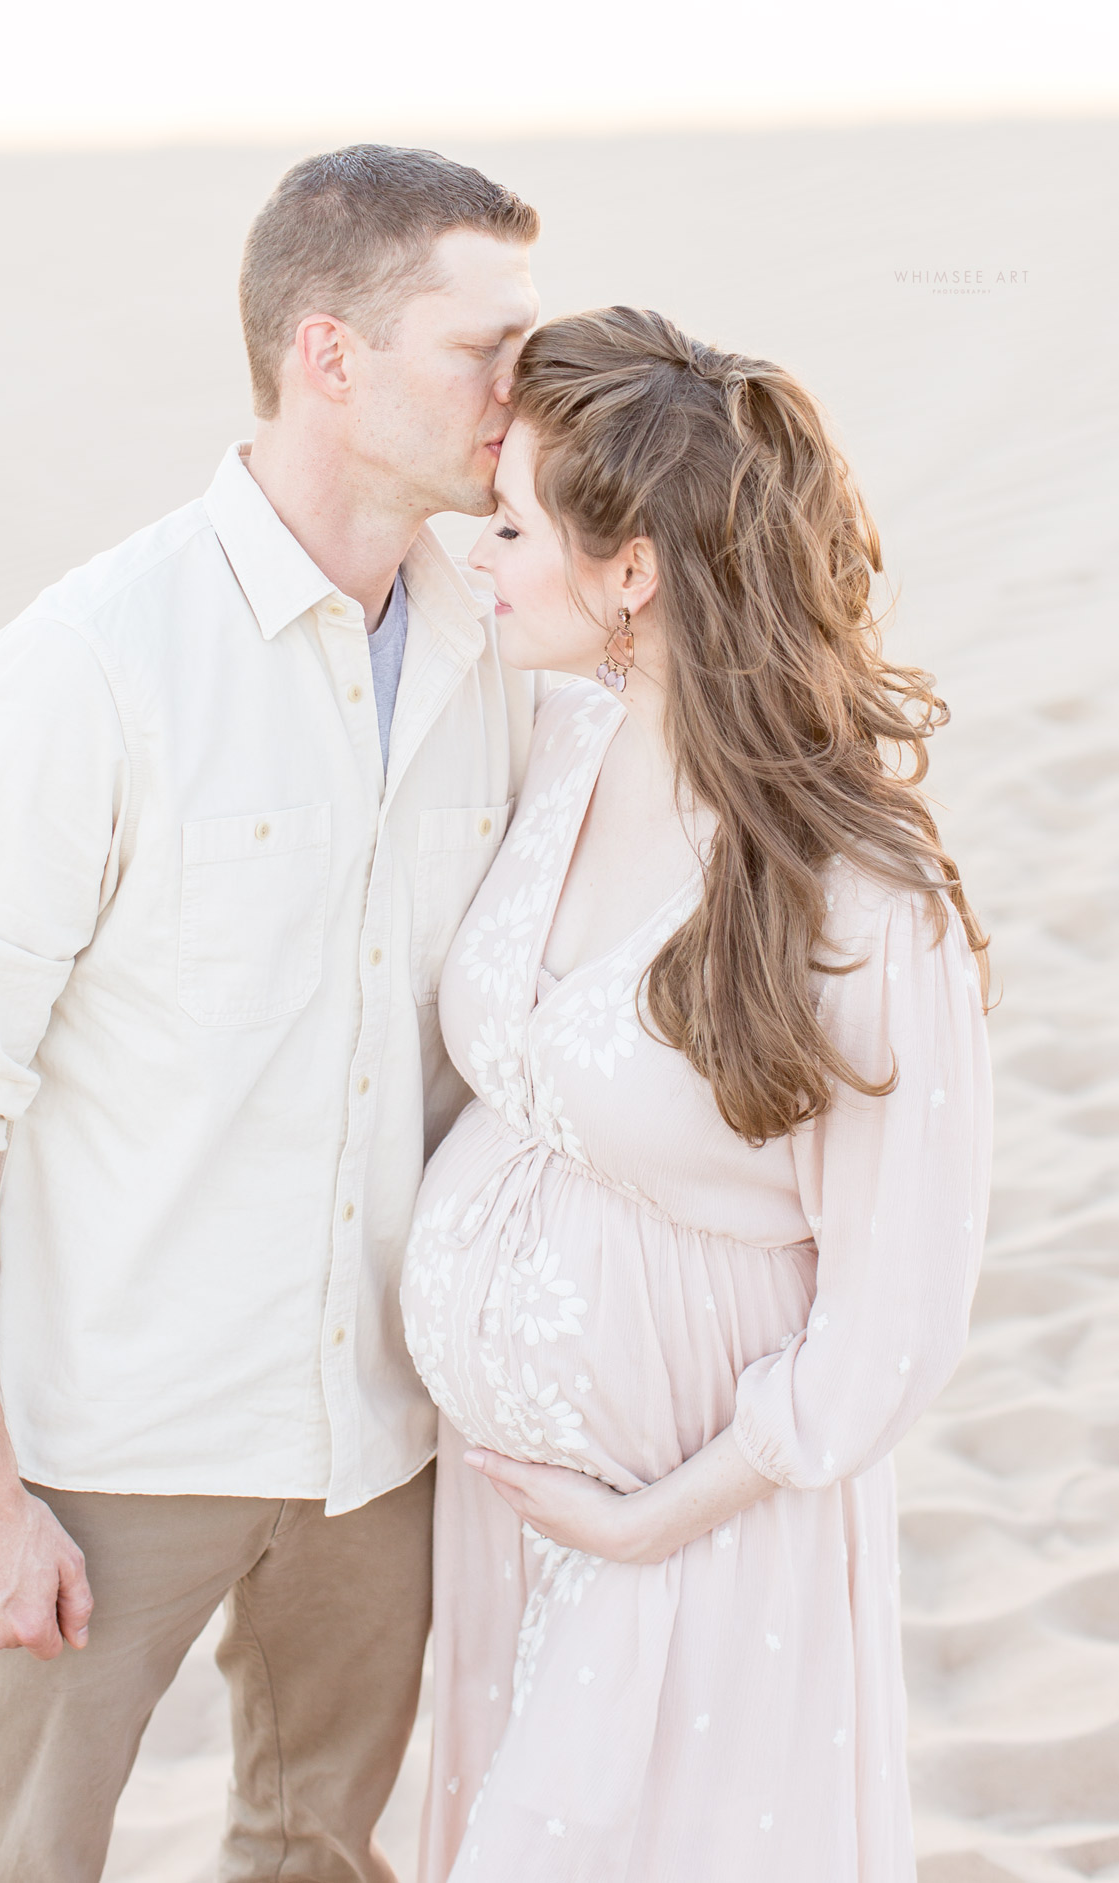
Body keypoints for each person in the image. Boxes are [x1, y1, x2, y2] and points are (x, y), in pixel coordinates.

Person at [0, 145, 541, 1883]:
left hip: (385, 1445)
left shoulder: (504, 651)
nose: (524, 395)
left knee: (317, 1854)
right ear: (328, 356)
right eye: (486, 349)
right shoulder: (91, 663)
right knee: (4, 1862)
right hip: (107, 1451)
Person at [401, 307, 992, 1881]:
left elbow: (896, 1316)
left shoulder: (860, 903)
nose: (484, 553)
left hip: (699, 1551)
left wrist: (651, 1520)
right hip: (511, 1527)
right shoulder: (565, 741)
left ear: (635, 570)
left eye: (516, 523)